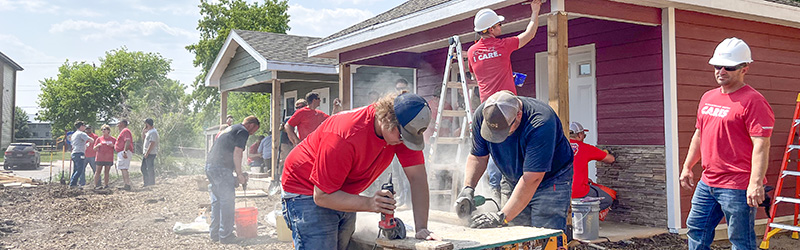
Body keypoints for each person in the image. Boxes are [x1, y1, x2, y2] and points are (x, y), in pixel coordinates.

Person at [281, 92, 440, 249]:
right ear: (388, 119)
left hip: (341, 190)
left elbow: (417, 178)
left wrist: (421, 228)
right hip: (305, 189)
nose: (404, 142)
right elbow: (321, 196)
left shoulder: (402, 130)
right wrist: (370, 203)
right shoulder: (345, 134)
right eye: (402, 136)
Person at [679, 37, 774, 250]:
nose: (721, 71)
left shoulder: (753, 101)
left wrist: (755, 183)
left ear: (744, 68)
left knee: (741, 241)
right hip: (707, 182)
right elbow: (699, 135)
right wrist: (687, 167)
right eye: (717, 66)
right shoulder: (707, 97)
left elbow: (761, 144)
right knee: (696, 229)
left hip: (738, 186)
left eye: (728, 67)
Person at [458, 91, 573, 233]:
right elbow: (478, 157)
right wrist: (468, 188)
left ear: (518, 115)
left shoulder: (541, 122)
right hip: (512, 177)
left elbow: (532, 178)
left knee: (544, 234)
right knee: (513, 233)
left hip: (550, 181)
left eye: (504, 130)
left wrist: (501, 217)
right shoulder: (483, 115)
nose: (500, 136)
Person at [467, 0, 543, 102]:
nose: (500, 26)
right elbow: (530, 34)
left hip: (486, 104)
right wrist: (535, 11)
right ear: (491, 29)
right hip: (506, 101)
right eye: (498, 24)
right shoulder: (503, 45)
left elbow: (476, 78)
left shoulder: (471, 51)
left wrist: (504, 76)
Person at [206, 115, 260, 244]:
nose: (253, 133)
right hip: (221, 168)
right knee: (227, 201)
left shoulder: (231, 129)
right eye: (254, 130)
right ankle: (226, 236)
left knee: (217, 201)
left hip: (210, 166)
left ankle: (215, 234)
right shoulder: (243, 131)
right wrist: (240, 174)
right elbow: (237, 152)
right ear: (251, 125)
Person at [569, 122, 616, 214]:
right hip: (579, 191)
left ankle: (574, 215)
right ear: (579, 135)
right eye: (584, 135)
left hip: (560, 191)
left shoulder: (557, 147)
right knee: (607, 200)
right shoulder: (586, 148)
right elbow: (610, 159)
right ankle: (586, 217)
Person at [69, 121, 94, 187]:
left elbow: (79, 144)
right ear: (81, 126)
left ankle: (72, 183)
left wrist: (86, 145)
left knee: (75, 170)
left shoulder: (74, 134)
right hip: (79, 153)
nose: (85, 127)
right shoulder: (81, 134)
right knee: (80, 170)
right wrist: (90, 139)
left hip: (74, 153)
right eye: (84, 126)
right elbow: (91, 140)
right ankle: (73, 184)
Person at [93, 124, 116, 189]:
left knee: (106, 172)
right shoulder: (99, 139)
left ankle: (106, 185)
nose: (103, 131)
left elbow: (117, 148)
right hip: (100, 157)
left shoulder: (113, 139)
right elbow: (94, 148)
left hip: (108, 158)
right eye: (102, 129)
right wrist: (98, 145)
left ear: (108, 131)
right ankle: (95, 185)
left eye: (104, 129)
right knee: (98, 171)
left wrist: (113, 146)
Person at [115, 119, 134, 191]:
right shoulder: (123, 131)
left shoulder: (125, 131)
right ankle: (127, 183)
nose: (117, 125)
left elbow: (128, 140)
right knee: (123, 168)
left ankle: (127, 185)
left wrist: (125, 151)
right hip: (122, 152)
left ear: (122, 123)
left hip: (124, 152)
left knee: (124, 168)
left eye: (119, 123)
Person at [142, 118, 159, 187]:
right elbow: (144, 138)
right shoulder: (150, 131)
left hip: (150, 153)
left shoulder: (153, 132)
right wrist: (143, 131)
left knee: (148, 168)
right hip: (147, 153)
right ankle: (147, 182)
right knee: (144, 168)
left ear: (147, 124)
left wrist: (147, 153)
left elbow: (152, 143)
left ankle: (150, 182)